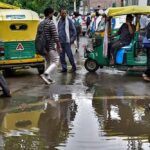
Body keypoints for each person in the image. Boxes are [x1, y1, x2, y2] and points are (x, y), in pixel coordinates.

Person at [40, 7, 61, 85]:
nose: (53, 14)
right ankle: (45, 74)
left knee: (48, 61)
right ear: (49, 14)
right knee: (56, 60)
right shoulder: (50, 23)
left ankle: (48, 78)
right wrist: (59, 46)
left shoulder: (41, 23)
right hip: (50, 45)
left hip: (43, 46)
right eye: (52, 13)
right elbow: (55, 36)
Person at [58, 8, 77, 73]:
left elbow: (74, 31)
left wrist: (71, 40)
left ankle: (74, 67)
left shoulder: (69, 21)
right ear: (60, 14)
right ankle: (64, 68)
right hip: (60, 42)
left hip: (67, 42)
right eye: (62, 13)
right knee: (61, 56)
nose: (64, 14)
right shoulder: (59, 21)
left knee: (70, 55)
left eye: (65, 13)